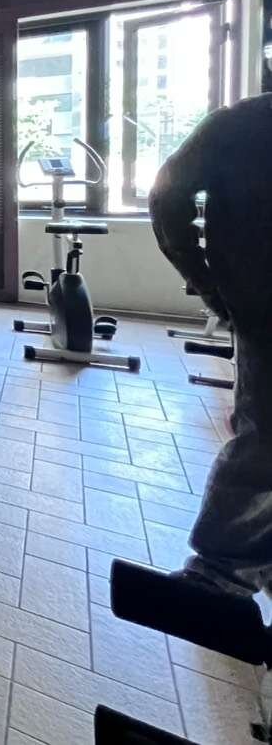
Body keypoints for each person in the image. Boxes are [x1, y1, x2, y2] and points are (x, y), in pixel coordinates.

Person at [149, 91, 272, 596]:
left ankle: (228, 570)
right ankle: (221, 572)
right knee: (264, 437)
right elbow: (167, 195)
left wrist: (209, 283)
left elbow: (166, 198)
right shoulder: (244, 123)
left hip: (254, 297)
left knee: (263, 434)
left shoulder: (242, 121)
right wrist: (209, 284)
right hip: (261, 302)